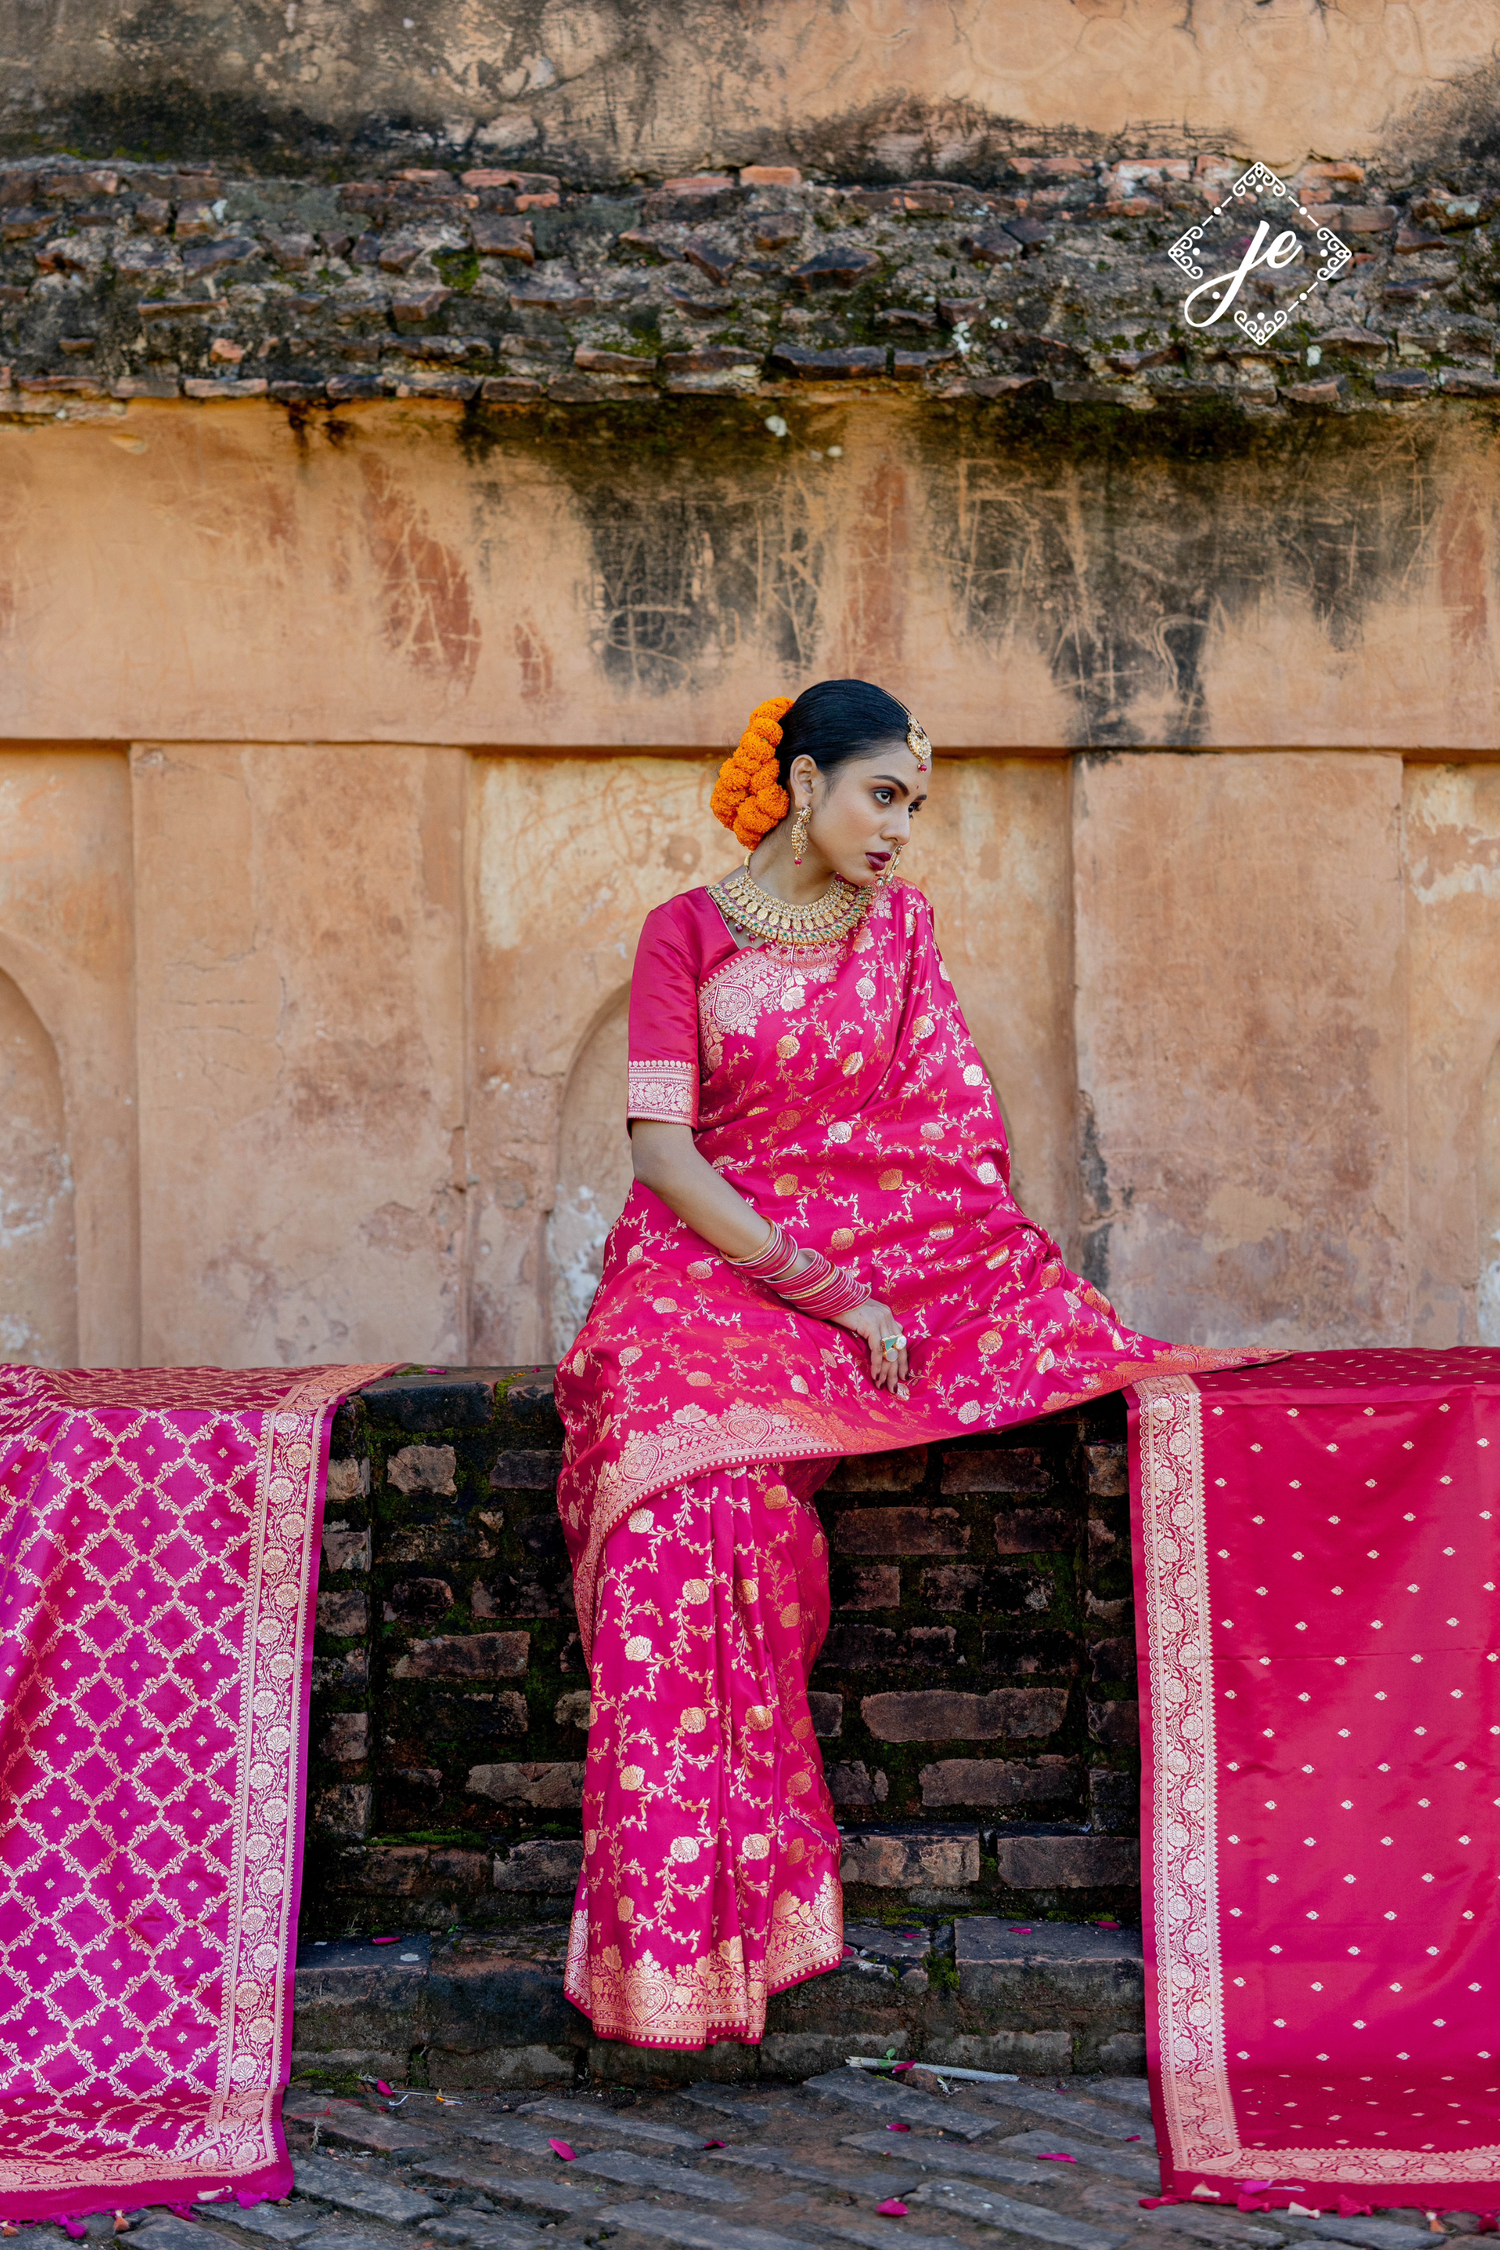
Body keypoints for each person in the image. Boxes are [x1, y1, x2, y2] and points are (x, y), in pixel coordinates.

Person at [552, 678, 1266, 2052]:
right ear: (805, 779)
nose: (899, 831)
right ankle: (670, 1929)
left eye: (915, 807)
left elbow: (943, 1132)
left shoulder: (903, 938)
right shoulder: (683, 934)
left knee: (748, 1489)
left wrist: (881, 1281)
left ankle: (753, 1903)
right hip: (697, 1267)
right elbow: (661, 1151)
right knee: (681, 1485)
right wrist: (822, 1285)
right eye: (882, 796)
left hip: (871, 1249)